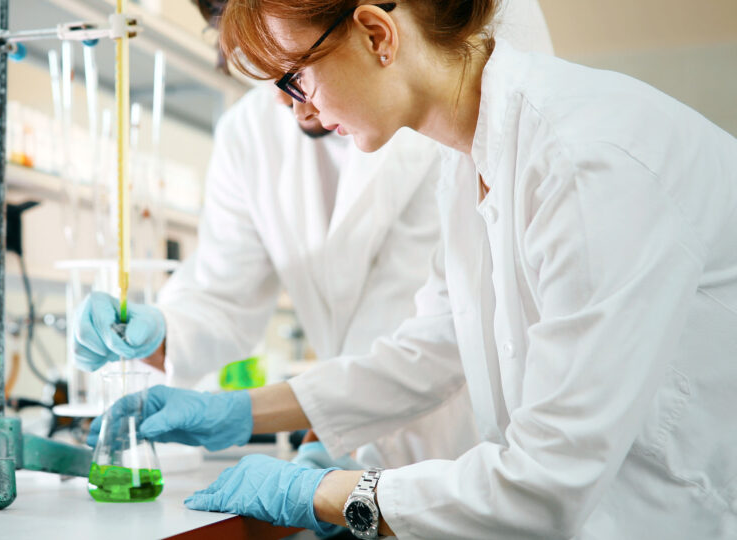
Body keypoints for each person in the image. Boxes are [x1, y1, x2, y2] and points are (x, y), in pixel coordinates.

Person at [89, 0, 737, 538]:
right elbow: (428, 350)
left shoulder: (584, 159)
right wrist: (238, 411)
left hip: (667, 515)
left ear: (376, 33)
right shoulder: (471, 167)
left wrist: (328, 494)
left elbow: (547, 484)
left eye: (294, 80)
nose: (295, 112)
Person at [73, 0, 554, 473]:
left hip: (463, 437)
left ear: (374, 33)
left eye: (288, 66)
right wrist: (160, 331)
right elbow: (224, 294)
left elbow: (442, 339)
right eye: (253, 58)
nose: (282, 96)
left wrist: (309, 439)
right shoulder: (252, 133)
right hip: (361, 424)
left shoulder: (452, 117)